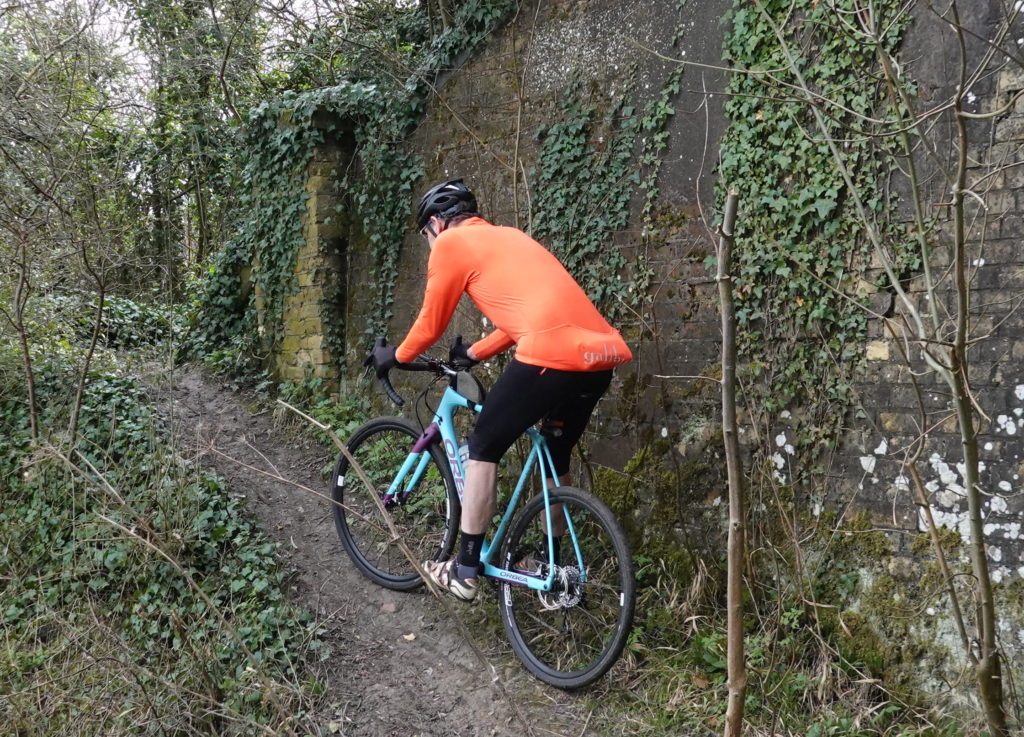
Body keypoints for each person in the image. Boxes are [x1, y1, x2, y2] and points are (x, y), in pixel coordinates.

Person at [369, 178, 632, 601]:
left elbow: (429, 325)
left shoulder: (453, 246)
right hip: (599, 358)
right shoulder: (509, 237)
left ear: (437, 223)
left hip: (553, 356)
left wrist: (396, 356)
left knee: (484, 445)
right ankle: (554, 567)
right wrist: (473, 351)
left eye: (426, 236)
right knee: (555, 455)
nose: (429, 245)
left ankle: (465, 568)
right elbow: (522, 316)